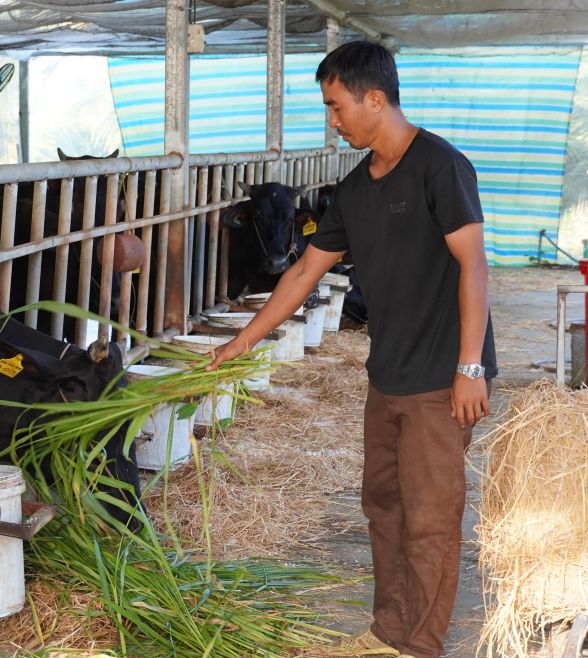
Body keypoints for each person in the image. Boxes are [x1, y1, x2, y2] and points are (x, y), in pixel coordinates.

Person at [207, 40, 497, 658]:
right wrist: (243, 342)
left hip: (441, 378)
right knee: (383, 506)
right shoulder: (354, 189)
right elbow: (302, 275)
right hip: (387, 373)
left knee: (430, 517)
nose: (332, 122)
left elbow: (474, 266)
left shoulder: (441, 167)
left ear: (375, 97)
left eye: (336, 107)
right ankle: (389, 629)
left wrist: (470, 366)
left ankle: (422, 644)